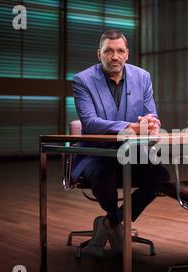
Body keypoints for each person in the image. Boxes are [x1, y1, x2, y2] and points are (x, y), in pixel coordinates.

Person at [71, 29, 170, 257]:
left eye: (119, 51)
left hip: (130, 153)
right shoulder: (82, 80)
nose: (114, 56)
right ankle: (115, 223)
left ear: (127, 54)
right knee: (105, 175)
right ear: (99, 54)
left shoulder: (142, 77)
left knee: (160, 176)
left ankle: (111, 223)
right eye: (108, 51)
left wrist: (150, 121)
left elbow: (151, 114)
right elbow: (90, 122)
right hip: (95, 154)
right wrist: (129, 127)